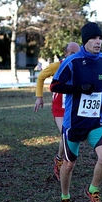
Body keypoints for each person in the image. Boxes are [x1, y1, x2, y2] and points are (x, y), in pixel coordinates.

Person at [49, 22, 102, 202]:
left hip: (95, 121)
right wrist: (78, 88)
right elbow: (54, 86)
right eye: (94, 38)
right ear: (85, 40)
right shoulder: (72, 62)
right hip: (74, 123)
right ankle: (65, 198)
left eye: (100, 38)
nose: (98, 42)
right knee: (69, 165)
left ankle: (92, 190)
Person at [33, 42, 80, 181]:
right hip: (59, 110)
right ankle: (60, 162)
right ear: (65, 54)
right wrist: (39, 97)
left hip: (74, 108)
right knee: (66, 134)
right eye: (72, 53)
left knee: (71, 137)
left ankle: (59, 158)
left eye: (77, 53)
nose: (75, 56)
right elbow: (41, 77)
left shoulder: (80, 66)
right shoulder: (56, 66)